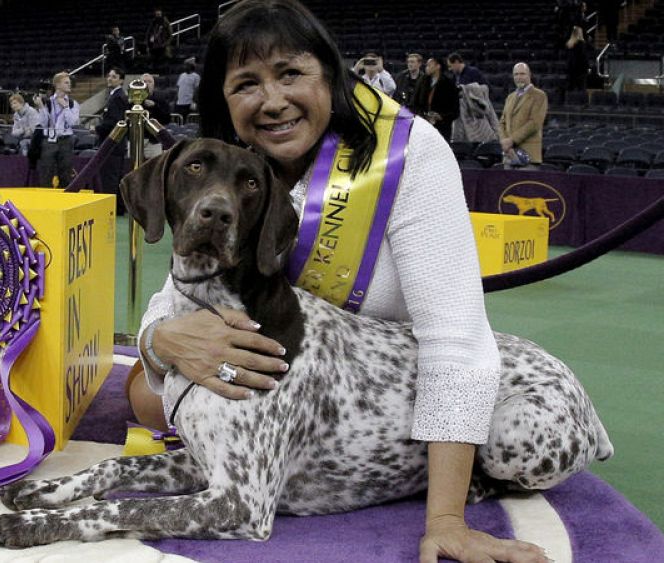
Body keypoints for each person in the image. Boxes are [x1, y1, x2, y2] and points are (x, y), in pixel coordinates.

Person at [127, 2, 556, 562]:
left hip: (386, 384)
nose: (273, 100)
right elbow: (180, 293)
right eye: (247, 84)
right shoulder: (229, 164)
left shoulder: (408, 153)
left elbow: (457, 339)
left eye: (291, 73)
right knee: (146, 394)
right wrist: (160, 342)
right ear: (223, 99)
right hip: (293, 376)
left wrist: (447, 519)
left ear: (330, 75)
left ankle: (439, 465)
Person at [33, 71, 79, 187]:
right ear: (57, 85)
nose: (69, 85)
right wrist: (41, 107)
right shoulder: (48, 102)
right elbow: (43, 123)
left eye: (69, 82)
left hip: (66, 140)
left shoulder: (73, 104)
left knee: (65, 174)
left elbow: (72, 122)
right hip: (49, 140)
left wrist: (65, 107)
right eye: (66, 82)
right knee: (46, 173)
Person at [499, 63, 548, 167]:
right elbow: (502, 122)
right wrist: (504, 142)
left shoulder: (539, 95)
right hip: (509, 155)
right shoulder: (510, 97)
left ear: (529, 75)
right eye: (516, 74)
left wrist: (511, 140)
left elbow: (534, 123)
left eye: (522, 74)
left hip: (529, 156)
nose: (519, 77)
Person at [94, 67, 128, 207]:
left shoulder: (118, 97)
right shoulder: (114, 95)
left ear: (120, 79)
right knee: (114, 176)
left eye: (114, 76)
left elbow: (113, 121)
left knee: (110, 178)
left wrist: (97, 129)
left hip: (112, 144)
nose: (110, 78)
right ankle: (117, 206)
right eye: (109, 76)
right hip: (115, 144)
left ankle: (111, 207)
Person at [410, 55, 459, 141]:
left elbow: (455, 110)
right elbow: (414, 103)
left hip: (442, 128)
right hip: (423, 125)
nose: (426, 67)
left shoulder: (448, 84)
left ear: (438, 66)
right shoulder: (422, 81)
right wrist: (423, 115)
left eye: (429, 65)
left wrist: (441, 117)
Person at [140, 73, 172, 159]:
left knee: (154, 169)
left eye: (149, 81)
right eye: (144, 81)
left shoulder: (161, 98)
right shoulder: (132, 99)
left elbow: (167, 119)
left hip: (154, 142)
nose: (146, 84)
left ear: (153, 84)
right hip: (136, 141)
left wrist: (155, 106)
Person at [145, 7, 172, 73]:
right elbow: (149, 34)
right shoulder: (153, 22)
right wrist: (149, 45)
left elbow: (170, 35)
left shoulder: (165, 22)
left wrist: (166, 44)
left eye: (159, 14)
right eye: (157, 14)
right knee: (154, 63)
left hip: (163, 46)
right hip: (154, 47)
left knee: (163, 63)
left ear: (161, 14)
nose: (158, 16)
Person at [565, 26, 591, 91]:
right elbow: (584, 57)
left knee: (571, 88)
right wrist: (588, 67)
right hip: (580, 70)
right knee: (581, 89)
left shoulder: (569, 44)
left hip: (571, 69)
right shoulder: (581, 44)